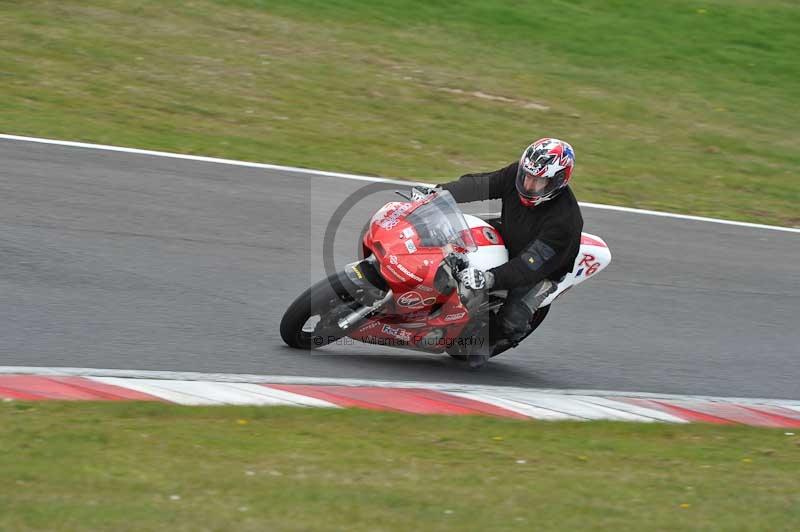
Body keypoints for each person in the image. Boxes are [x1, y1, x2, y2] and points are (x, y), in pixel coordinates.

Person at [421, 138, 583, 362]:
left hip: (541, 267)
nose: (528, 185)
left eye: (538, 181)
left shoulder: (565, 222)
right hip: (511, 231)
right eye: (526, 176)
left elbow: (528, 265)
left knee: (512, 318)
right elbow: (482, 184)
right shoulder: (518, 174)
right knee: (451, 237)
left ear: (557, 181)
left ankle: (491, 340)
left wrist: (489, 278)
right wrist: (439, 194)